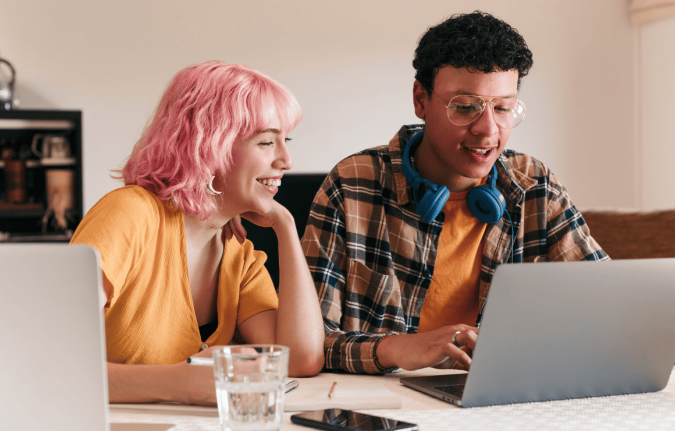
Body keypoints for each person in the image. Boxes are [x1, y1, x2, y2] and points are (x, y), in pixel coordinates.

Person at [300, 11, 609, 374]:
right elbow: (308, 342)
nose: (487, 129)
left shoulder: (535, 186)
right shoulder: (351, 185)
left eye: (504, 108)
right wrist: (396, 349)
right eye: (465, 107)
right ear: (421, 100)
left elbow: (607, 309)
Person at [70, 61, 324, 405]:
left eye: (285, 140)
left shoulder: (239, 255)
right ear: (209, 147)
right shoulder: (130, 214)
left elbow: (300, 360)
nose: (287, 160)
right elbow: (49, 357)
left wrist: (286, 227)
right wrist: (180, 382)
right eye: (266, 142)